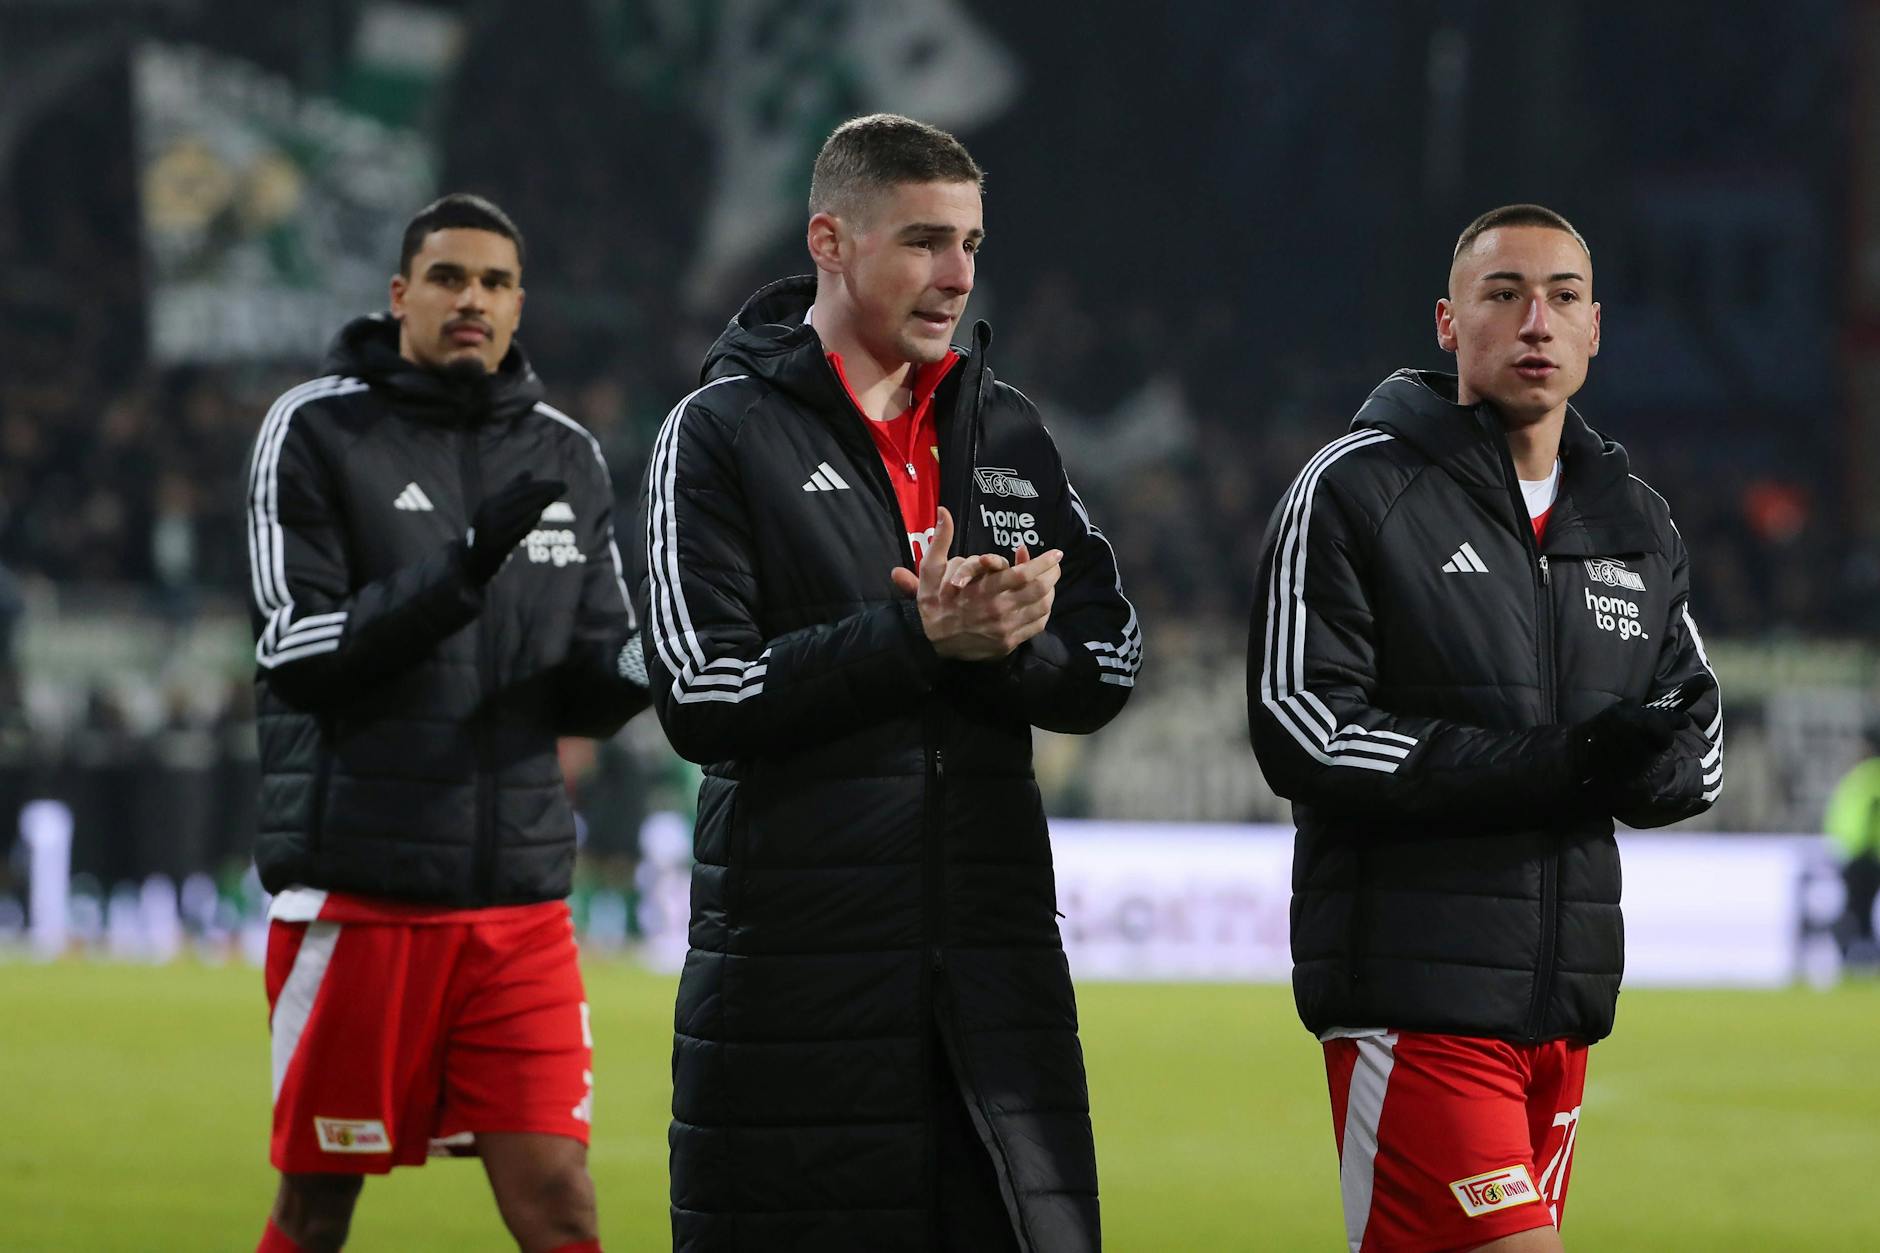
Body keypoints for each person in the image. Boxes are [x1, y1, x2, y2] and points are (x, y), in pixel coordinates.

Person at [637, 114, 1140, 1252]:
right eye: (921, 240)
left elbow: (1110, 656)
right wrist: (916, 640)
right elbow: (700, 691)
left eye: (968, 242)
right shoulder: (718, 433)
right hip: (796, 1003)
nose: (956, 275)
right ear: (829, 239)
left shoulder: (1005, 427)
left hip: (995, 993)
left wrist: (1013, 645)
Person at [1248, 204, 1722, 1253]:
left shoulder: (1632, 519)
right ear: (1445, 321)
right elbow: (1301, 725)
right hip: (1410, 991)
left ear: (1594, 329)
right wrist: (1555, 766)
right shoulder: (1355, 488)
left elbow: (1698, 737)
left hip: (1559, 1008)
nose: (1533, 322)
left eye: (1560, 298)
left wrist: (1624, 767)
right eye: (1501, 294)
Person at [244, 193, 648, 1253]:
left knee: (560, 1201)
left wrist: (658, 657)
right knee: (318, 1208)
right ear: (399, 294)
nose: (473, 299)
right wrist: (461, 570)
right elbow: (296, 652)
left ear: (520, 305)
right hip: (363, 900)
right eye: (449, 277)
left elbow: (589, 675)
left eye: (496, 282)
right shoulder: (316, 428)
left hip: (518, 904)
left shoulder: (564, 453)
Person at [1824, 730, 1880, 968]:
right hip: (1863, 854)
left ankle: (1856, 955)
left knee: (1856, 909)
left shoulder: (1859, 777)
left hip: (1856, 854)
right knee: (1860, 910)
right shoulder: (1868, 775)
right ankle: (1860, 956)